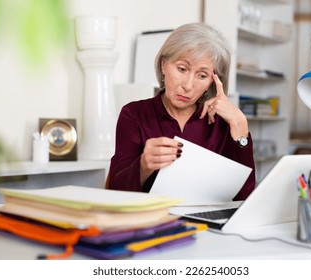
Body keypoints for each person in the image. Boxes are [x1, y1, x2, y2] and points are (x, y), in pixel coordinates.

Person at [108, 22, 256, 201]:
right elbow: (115, 192)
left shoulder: (223, 122)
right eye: (182, 69)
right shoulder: (134, 114)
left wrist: (240, 125)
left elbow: (243, 196)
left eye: (202, 75)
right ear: (164, 65)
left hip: (208, 224)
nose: (187, 85)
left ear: (212, 81)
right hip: (152, 221)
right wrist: (144, 165)